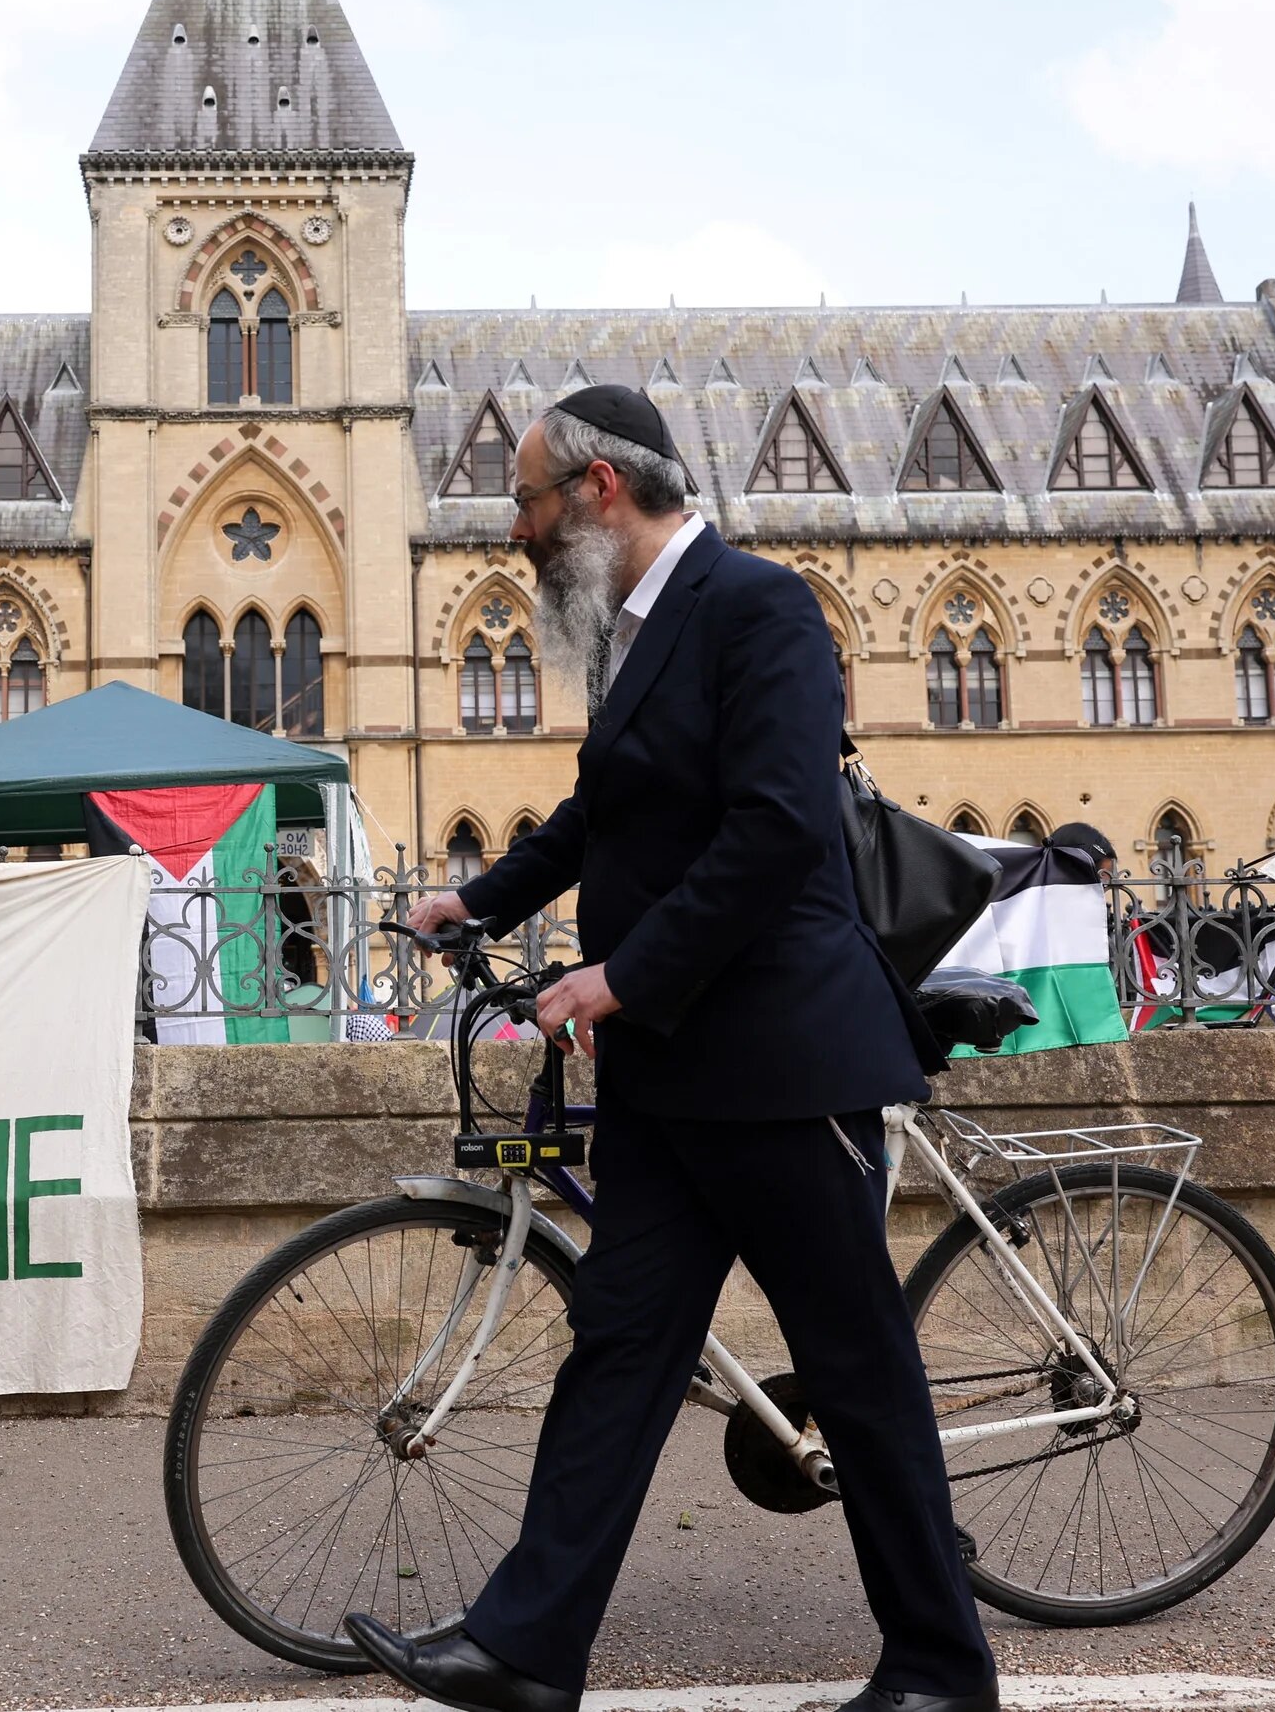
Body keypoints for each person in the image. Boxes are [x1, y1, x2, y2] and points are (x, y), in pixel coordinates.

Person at [345, 386, 998, 1712]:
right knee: (620, 1352)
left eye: (526, 503)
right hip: (669, 1080)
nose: (515, 534)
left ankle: (941, 1668)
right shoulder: (635, 633)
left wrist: (619, 978)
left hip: (777, 1067)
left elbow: (774, 833)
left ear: (595, 491)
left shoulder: (757, 607)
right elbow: (608, 814)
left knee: (857, 1371)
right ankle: (525, 1652)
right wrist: (483, 899)